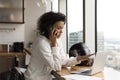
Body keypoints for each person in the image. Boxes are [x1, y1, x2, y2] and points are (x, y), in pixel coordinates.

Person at [24, 11, 92, 80]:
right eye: (59, 28)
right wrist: (54, 45)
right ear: (49, 28)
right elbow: (56, 67)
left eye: (62, 28)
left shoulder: (57, 41)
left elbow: (62, 61)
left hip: (46, 77)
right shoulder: (41, 42)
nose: (61, 31)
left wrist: (78, 59)